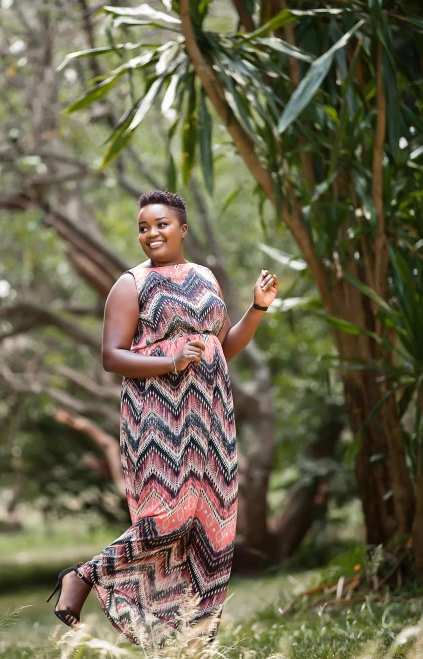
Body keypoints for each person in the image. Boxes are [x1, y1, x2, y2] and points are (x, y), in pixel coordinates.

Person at [47, 189, 278, 646]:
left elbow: (221, 347)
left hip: (211, 415)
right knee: (168, 517)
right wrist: (172, 362)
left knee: (213, 525)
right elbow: (112, 357)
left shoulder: (205, 277)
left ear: (183, 229)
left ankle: (195, 638)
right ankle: (85, 575)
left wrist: (258, 308)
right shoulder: (130, 284)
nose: (151, 233)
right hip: (157, 419)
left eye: (160, 224)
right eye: (143, 227)